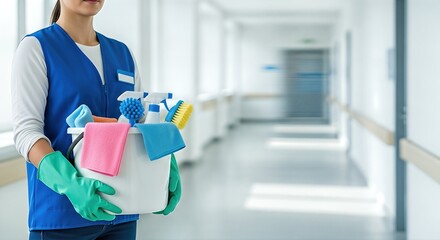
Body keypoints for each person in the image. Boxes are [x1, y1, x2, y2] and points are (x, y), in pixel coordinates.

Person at [11, 0, 181, 239]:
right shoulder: (37, 47)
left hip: (122, 211)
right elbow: (26, 132)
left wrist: (165, 162)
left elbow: (141, 123)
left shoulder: (122, 53)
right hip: (61, 217)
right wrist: (70, 184)